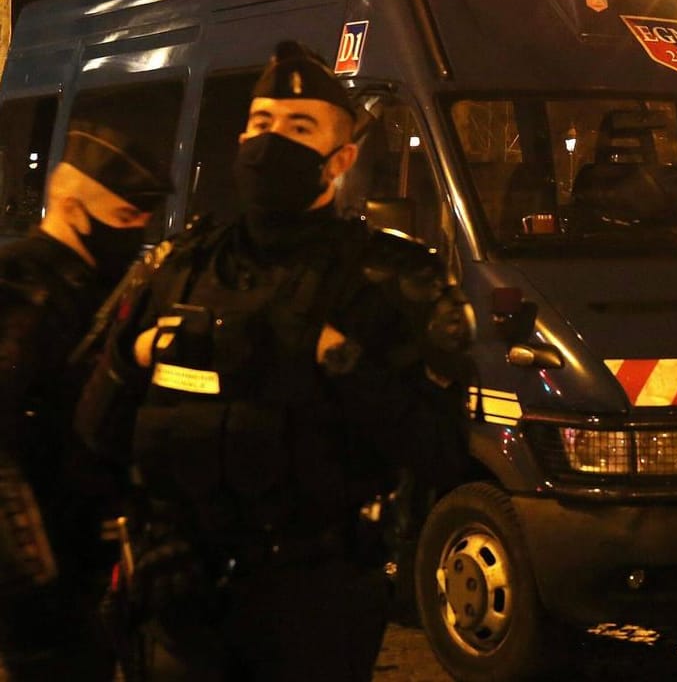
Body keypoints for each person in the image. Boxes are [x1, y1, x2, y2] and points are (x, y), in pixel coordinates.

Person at [75, 41, 473, 682]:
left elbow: (442, 451)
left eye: (299, 127)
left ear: (341, 159)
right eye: (262, 124)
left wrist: (340, 360)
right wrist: (133, 355)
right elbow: (95, 433)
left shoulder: (389, 281)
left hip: (311, 604)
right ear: (240, 137)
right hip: (176, 600)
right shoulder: (177, 269)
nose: (272, 141)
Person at [0, 122, 170, 681]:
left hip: (103, 563)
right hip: (47, 582)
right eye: (124, 218)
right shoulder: (20, 286)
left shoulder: (104, 286)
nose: (136, 233)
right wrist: (35, 582)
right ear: (73, 208)